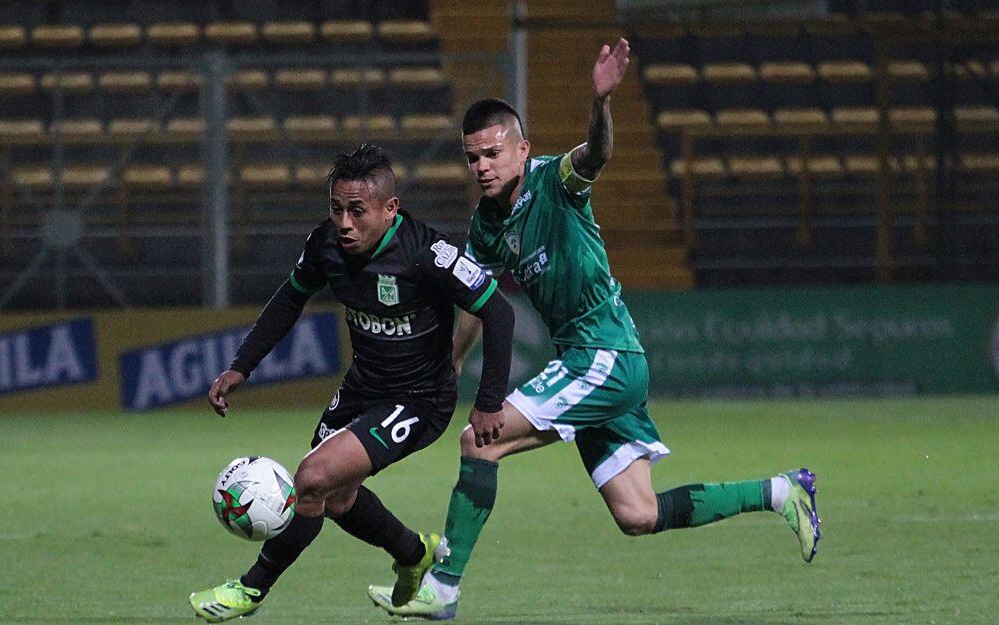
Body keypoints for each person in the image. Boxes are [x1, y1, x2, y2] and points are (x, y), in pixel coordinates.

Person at [367, 38, 821, 620]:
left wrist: (601, 102)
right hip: (603, 363)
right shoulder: (485, 225)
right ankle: (783, 491)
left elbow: (596, 155)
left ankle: (445, 587)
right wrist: (453, 362)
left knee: (478, 439)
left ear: (521, 148)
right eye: (472, 157)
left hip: (601, 355)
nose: (481, 165)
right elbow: (478, 301)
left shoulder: (554, 181)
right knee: (639, 515)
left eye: (492, 152)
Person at [189, 144, 515, 622]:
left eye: (357, 211)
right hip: (363, 388)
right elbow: (289, 299)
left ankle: (249, 590)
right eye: (337, 209)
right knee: (335, 498)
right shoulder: (326, 245)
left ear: (390, 209)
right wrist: (243, 366)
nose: (345, 222)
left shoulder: (428, 253)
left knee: (311, 480)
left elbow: (498, 311)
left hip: (420, 400)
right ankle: (413, 553)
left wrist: (488, 403)